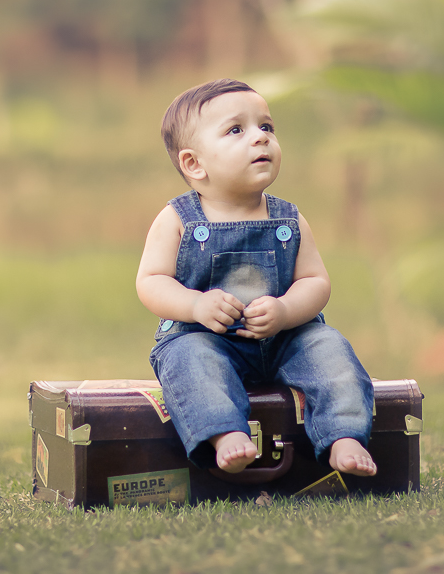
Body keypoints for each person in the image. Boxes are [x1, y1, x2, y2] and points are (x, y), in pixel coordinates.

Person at [135, 78, 377, 477]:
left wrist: (284, 311)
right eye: (237, 130)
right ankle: (225, 434)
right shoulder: (178, 219)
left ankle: (344, 435)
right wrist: (195, 305)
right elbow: (151, 282)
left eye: (266, 127)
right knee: (188, 361)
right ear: (194, 163)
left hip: (286, 339)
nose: (260, 138)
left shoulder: (288, 218)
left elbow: (315, 282)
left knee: (330, 350)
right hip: (206, 337)